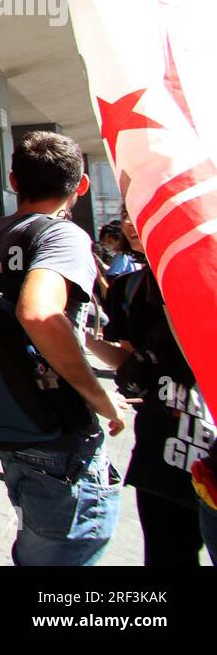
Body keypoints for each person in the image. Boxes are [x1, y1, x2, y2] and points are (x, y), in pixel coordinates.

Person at [0, 131, 129, 566]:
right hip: (59, 428)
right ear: (82, 186)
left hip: (2, 419)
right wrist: (100, 397)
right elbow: (38, 314)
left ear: (15, 181)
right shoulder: (63, 235)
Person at [86, 207, 214, 566]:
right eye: (128, 212)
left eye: (144, 210)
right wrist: (80, 339)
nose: (131, 222)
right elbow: (131, 363)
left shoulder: (207, 272)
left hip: (209, 446)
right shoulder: (130, 287)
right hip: (161, 452)